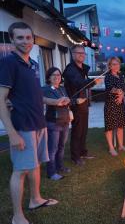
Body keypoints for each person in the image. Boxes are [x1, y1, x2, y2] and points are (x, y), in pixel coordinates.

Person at [0, 22, 59, 224]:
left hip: (38, 123)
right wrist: (12, 133)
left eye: (28, 38)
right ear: (12, 39)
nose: (25, 41)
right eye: (20, 38)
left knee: (35, 165)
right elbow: (1, 99)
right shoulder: (8, 63)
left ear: (33, 39)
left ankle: (35, 199)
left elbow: (35, 96)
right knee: (21, 170)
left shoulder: (32, 64)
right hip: (22, 125)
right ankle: (17, 216)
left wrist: (56, 101)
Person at [63, 45, 102, 166]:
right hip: (76, 104)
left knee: (84, 130)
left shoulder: (81, 69)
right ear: (73, 54)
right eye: (78, 53)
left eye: (83, 53)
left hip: (84, 103)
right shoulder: (70, 69)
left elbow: (84, 83)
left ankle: (82, 152)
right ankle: (75, 157)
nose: (81, 55)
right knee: (77, 130)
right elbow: (80, 84)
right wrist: (94, 82)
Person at [43, 67, 75, 180]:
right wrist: (59, 101)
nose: (57, 77)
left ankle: (60, 166)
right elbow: (46, 100)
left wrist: (68, 101)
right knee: (53, 149)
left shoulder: (62, 89)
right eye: (54, 75)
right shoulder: (45, 89)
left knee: (61, 146)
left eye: (58, 75)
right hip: (53, 123)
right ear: (49, 77)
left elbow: (67, 102)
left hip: (65, 121)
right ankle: (51, 172)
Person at [104, 57, 125, 156]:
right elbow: (110, 88)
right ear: (109, 66)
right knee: (110, 127)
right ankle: (111, 148)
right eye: (113, 64)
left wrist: (122, 96)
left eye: (117, 63)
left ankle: (121, 146)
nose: (116, 66)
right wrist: (118, 92)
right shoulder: (108, 76)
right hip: (111, 104)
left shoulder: (120, 75)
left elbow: (123, 88)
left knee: (120, 126)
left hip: (120, 104)